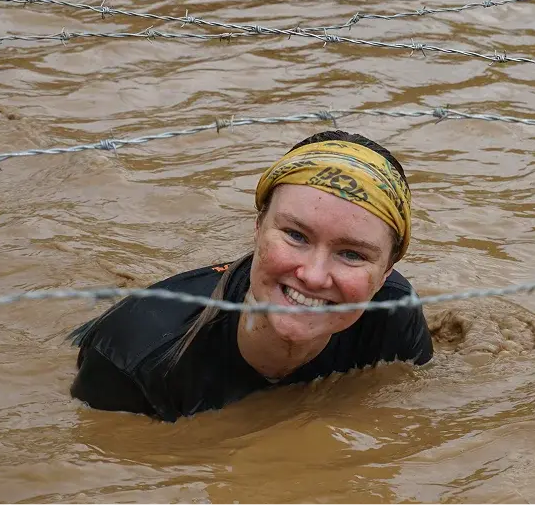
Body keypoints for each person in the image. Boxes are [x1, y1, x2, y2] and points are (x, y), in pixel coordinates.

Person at [67, 130, 434, 422]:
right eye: (295, 235)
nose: (313, 275)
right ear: (258, 227)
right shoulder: (134, 357)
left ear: (386, 271)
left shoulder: (392, 314)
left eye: (351, 254)